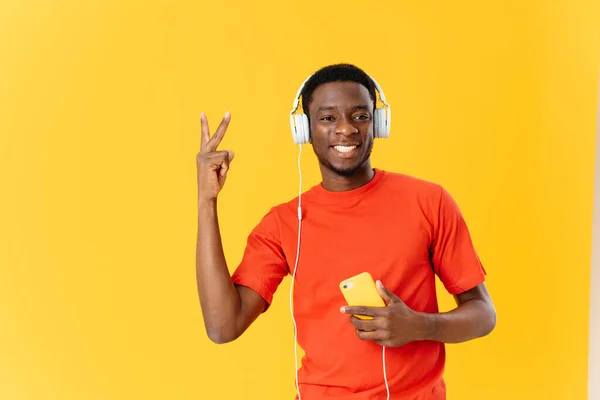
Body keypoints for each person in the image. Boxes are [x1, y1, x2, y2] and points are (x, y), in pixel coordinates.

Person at [195, 63, 496, 400]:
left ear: (377, 123)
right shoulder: (283, 223)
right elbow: (223, 327)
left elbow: (483, 314)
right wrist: (207, 201)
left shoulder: (429, 201)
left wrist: (420, 325)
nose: (346, 129)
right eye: (327, 118)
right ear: (304, 129)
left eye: (360, 116)